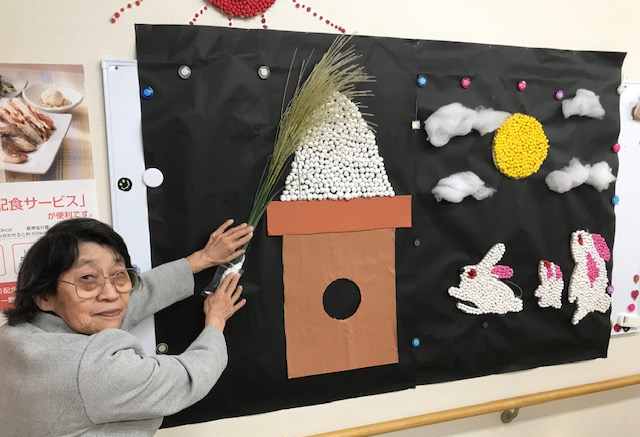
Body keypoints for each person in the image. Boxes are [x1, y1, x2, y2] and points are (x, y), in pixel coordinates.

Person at [0, 217, 253, 436]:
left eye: (119, 274)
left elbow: (127, 301)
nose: (111, 294)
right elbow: (188, 376)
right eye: (87, 278)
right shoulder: (97, 369)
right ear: (45, 296)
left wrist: (199, 261)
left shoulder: (14, 336)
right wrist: (216, 321)